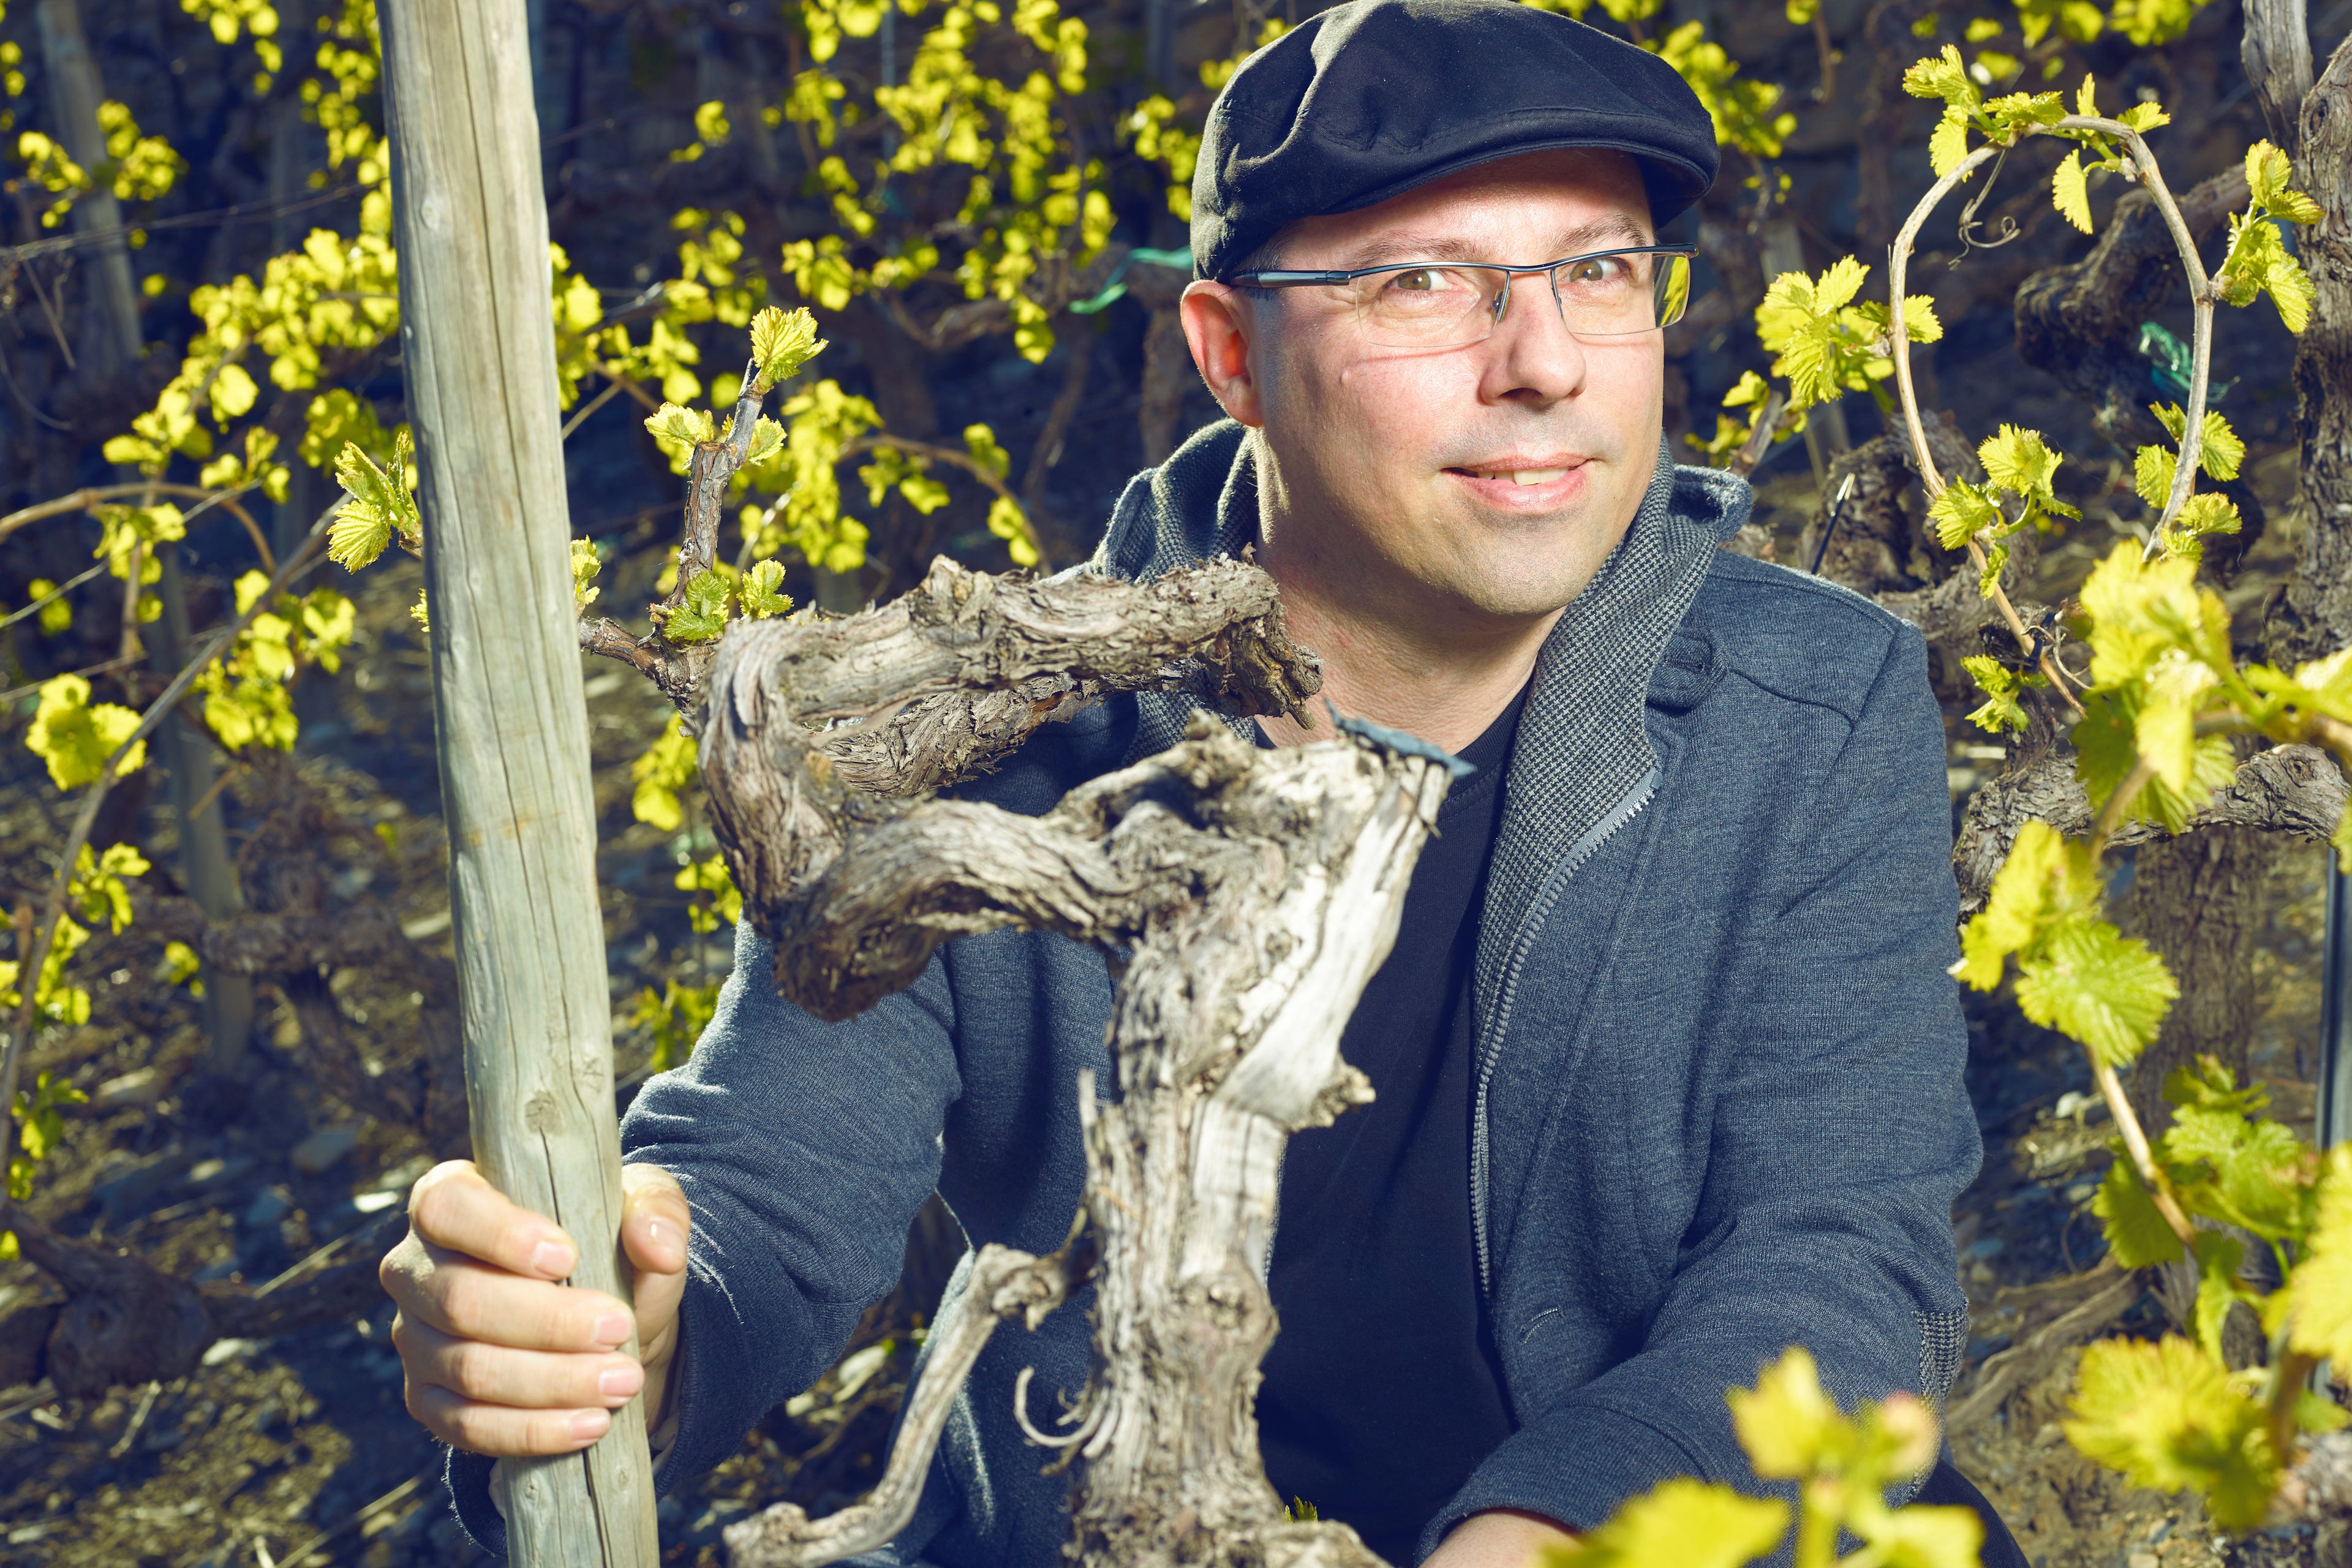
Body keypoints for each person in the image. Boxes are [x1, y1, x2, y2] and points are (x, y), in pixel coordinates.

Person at [382, 1, 2026, 1562]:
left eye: (1600, 270)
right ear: (1232, 355)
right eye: (1422, 287)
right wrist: (626, 1317)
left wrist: (1551, 1536)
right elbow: (765, 1186)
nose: (1544, 365)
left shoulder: (1812, 703)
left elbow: (1835, 1255)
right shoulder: (978, 729)